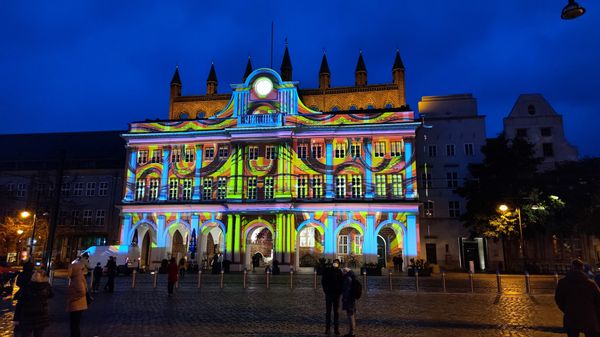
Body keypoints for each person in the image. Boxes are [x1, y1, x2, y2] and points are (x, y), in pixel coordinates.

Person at [555, 259, 600, 337]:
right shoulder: (591, 284)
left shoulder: (563, 283)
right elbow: (598, 301)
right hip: (589, 316)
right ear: (582, 268)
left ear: (571, 268)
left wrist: (566, 309)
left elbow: (559, 299)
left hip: (571, 316)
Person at [14, 270, 54, 337]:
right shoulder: (47, 286)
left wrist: (16, 318)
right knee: (38, 334)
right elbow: (51, 295)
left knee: (26, 334)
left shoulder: (27, 287)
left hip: (27, 316)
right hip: (41, 316)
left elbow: (20, 304)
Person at [67, 258, 88, 337]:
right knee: (75, 324)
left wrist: (73, 299)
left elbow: (82, 291)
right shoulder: (79, 276)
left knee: (74, 324)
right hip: (79, 305)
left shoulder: (77, 279)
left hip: (76, 305)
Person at [322, 258, 343, 335]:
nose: (335, 264)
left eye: (337, 263)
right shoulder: (328, 271)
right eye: (334, 263)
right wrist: (326, 291)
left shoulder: (339, 272)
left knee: (336, 313)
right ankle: (327, 329)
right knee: (328, 312)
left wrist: (340, 292)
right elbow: (323, 281)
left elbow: (342, 282)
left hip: (336, 295)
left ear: (338, 264)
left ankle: (336, 329)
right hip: (329, 294)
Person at [13, 261, 34, 337]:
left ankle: (17, 325)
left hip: (22, 294)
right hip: (30, 295)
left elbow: (18, 283)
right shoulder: (33, 274)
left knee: (19, 308)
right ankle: (26, 324)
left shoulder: (22, 274)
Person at [341, 267, 357, 337]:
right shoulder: (351, 277)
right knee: (351, 315)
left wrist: (345, 299)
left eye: (343, 272)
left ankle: (352, 332)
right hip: (351, 299)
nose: (342, 273)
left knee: (350, 315)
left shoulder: (348, 278)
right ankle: (352, 331)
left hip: (349, 299)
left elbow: (347, 290)